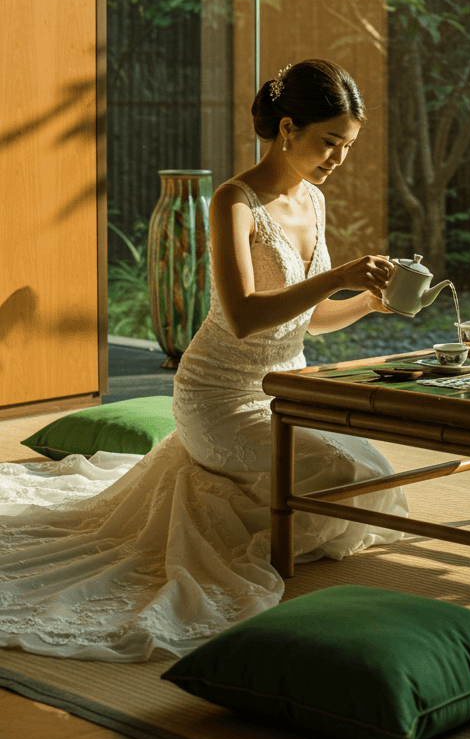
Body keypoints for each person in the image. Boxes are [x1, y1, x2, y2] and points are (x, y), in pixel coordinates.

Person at [0, 60, 407, 663]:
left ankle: (234, 500)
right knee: (341, 479)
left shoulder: (314, 202)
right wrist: (338, 276)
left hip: (284, 389)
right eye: (329, 143)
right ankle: (227, 496)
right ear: (288, 127)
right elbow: (244, 315)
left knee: (375, 475)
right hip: (218, 396)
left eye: (347, 146)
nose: (337, 159)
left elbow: (304, 319)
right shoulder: (232, 201)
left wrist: (368, 303)